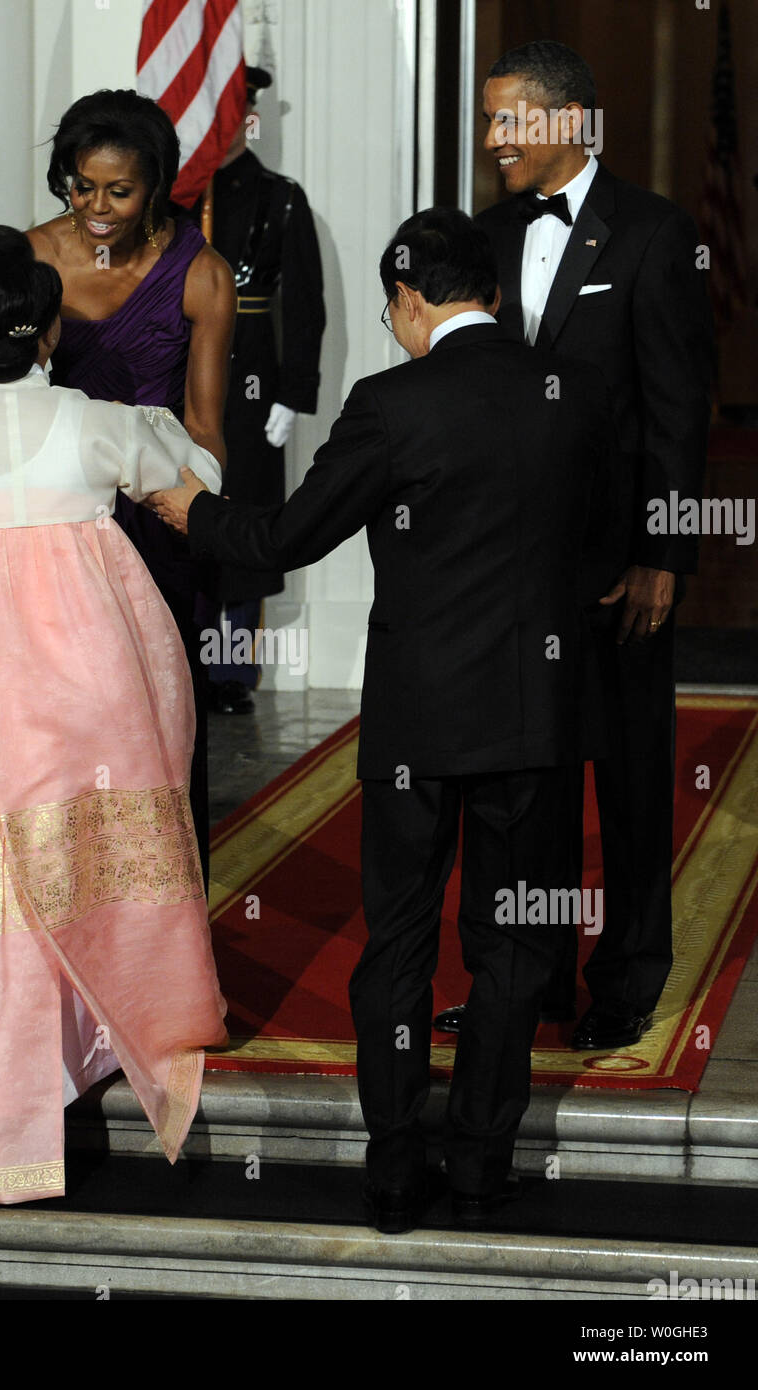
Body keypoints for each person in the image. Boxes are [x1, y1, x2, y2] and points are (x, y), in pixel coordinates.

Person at [151, 208, 622, 1231]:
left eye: (390, 309)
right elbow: (608, 544)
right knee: (512, 950)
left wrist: (198, 513)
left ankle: (397, 1168)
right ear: (489, 293)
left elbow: (286, 538)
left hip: (418, 725)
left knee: (400, 944)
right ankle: (483, 1167)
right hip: (537, 719)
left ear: (411, 302)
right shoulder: (571, 393)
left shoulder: (390, 403)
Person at [0, 227, 227, 1206]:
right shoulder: (94, 423)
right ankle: (84, 1086)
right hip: (87, 706)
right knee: (85, 874)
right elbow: (200, 478)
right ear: (50, 332)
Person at [435, 40, 714, 1051]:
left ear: (569, 121)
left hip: (618, 564)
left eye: (509, 119)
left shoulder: (654, 233)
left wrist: (666, 554)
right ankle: (527, 977)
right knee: (524, 785)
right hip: (513, 567)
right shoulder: (486, 235)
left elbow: (682, 412)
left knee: (631, 777)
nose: (493, 139)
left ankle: (630, 977)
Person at [27, 89, 236, 886]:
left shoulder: (202, 273)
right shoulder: (34, 256)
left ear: (156, 185)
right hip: (57, 521)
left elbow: (208, 426)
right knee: (66, 722)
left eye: (120, 190)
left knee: (163, 719)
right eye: (82, 186)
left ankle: (173, 922)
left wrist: (186, 508)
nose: (97, 207)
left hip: (159, 524)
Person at [182, 65, 326, 714]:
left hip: (253, 383)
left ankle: (233, 670)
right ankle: (184, 663)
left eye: (238, 111)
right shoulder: (177, 195)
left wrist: (293, 394)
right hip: (182, 376)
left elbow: (305, 304)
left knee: (244, 522)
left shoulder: (281, 198)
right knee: (182, 515)